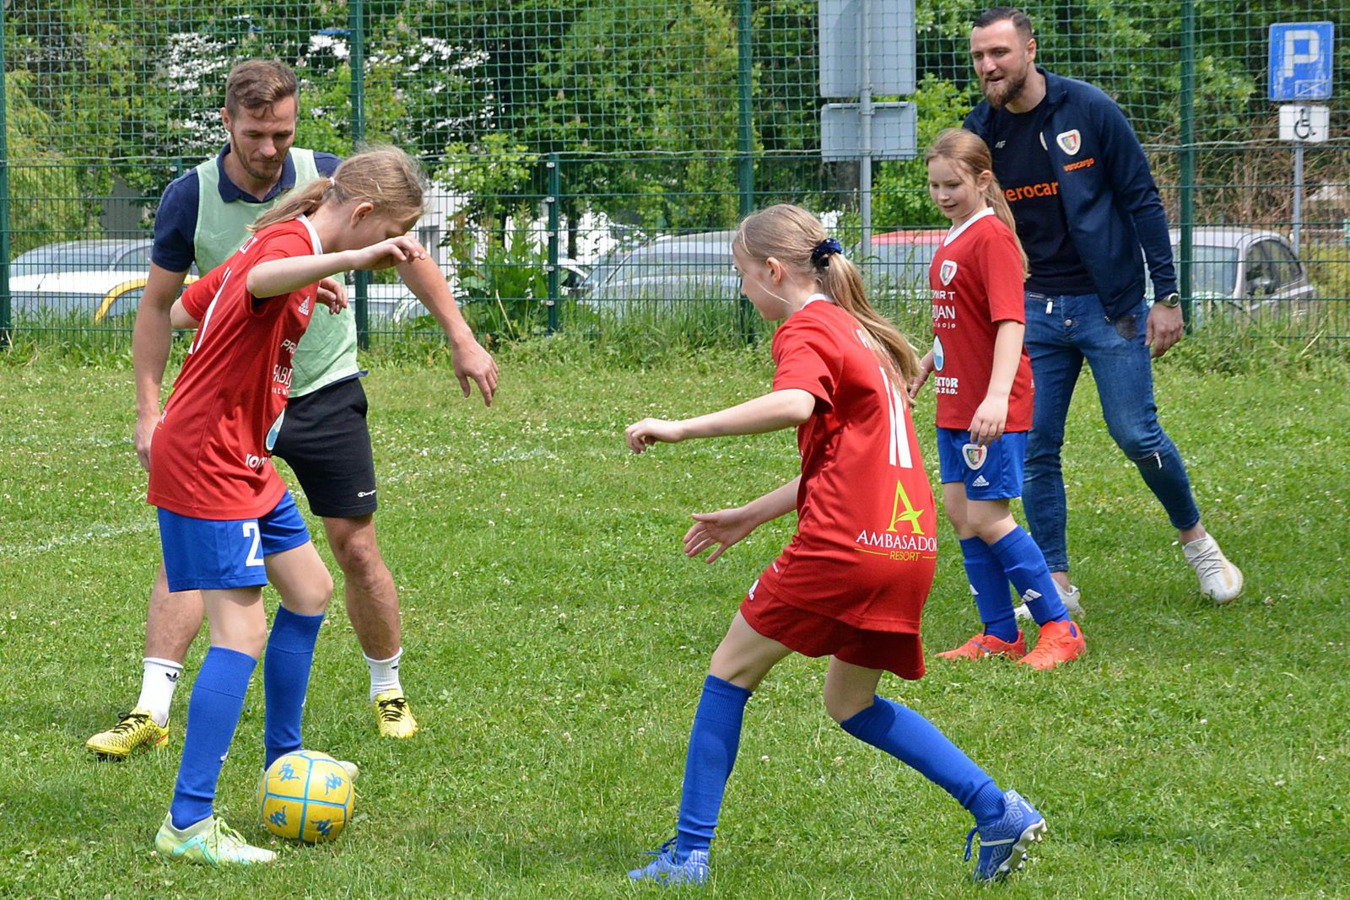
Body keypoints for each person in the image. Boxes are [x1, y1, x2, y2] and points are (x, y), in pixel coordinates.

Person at [623, 204, 1047, 886]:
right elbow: (847, 461)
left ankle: (687, 856)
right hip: (906, 546)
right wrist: (751, 515)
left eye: (741, 275)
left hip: (844, 546)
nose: (741, 290)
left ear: (772, 271)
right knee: (850, 703)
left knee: (729, 671)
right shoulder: (860, 332)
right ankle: (996, 809)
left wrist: (680, 427)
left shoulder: (806, 326)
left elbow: (794, 404)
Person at [86, 60, 498, 757]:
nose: (270, 147)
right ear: (227, 123)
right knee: (224, 600)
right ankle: (163, 738)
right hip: (222, 431)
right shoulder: (219, 209)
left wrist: (458, 334)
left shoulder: (330, 186)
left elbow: (225, 294)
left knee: (328, 571)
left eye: (282, 132)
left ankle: (356, 708)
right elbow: (209, 293)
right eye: (255, 134)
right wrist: (148, 408)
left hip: (310, 398)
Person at [151, 147, 428, 865]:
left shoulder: (286, 245)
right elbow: (260, 278)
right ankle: (187, 823)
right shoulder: (287, 247)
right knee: (240, 634)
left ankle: (285, 760)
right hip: (208, 458)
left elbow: (185, 309)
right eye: (388, 236)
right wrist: (338, 267)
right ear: (362, 215)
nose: (387, 251)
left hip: (245, 456)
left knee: (309, 591)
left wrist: (299, 291)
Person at [964, 8, 1243, 611]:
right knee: (1036, 448)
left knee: (1136, 434)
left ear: (1030, 50)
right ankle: (1057, 582)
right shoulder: (980, 130)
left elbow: (1142, 198)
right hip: (1033, 311)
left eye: (999, 53)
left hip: (1109, 306)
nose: (988, 66)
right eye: (979, 56)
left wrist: (1166, 296)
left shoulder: (1088, 109)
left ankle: (1198, 543)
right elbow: (975, 225)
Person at [910, 128, 1085, 669]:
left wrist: (996, 398)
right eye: (935, 185)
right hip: (955, 401)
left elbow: (1011, 322)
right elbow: (961, 321)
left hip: (990, 408)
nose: (942, 195)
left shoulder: (991, 238)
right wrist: (927, 363)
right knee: (962, 516)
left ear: (983, 180)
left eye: (953, 185)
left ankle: (1060, 627)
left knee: (989, 517)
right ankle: (1000, 633)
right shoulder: (955, 234)